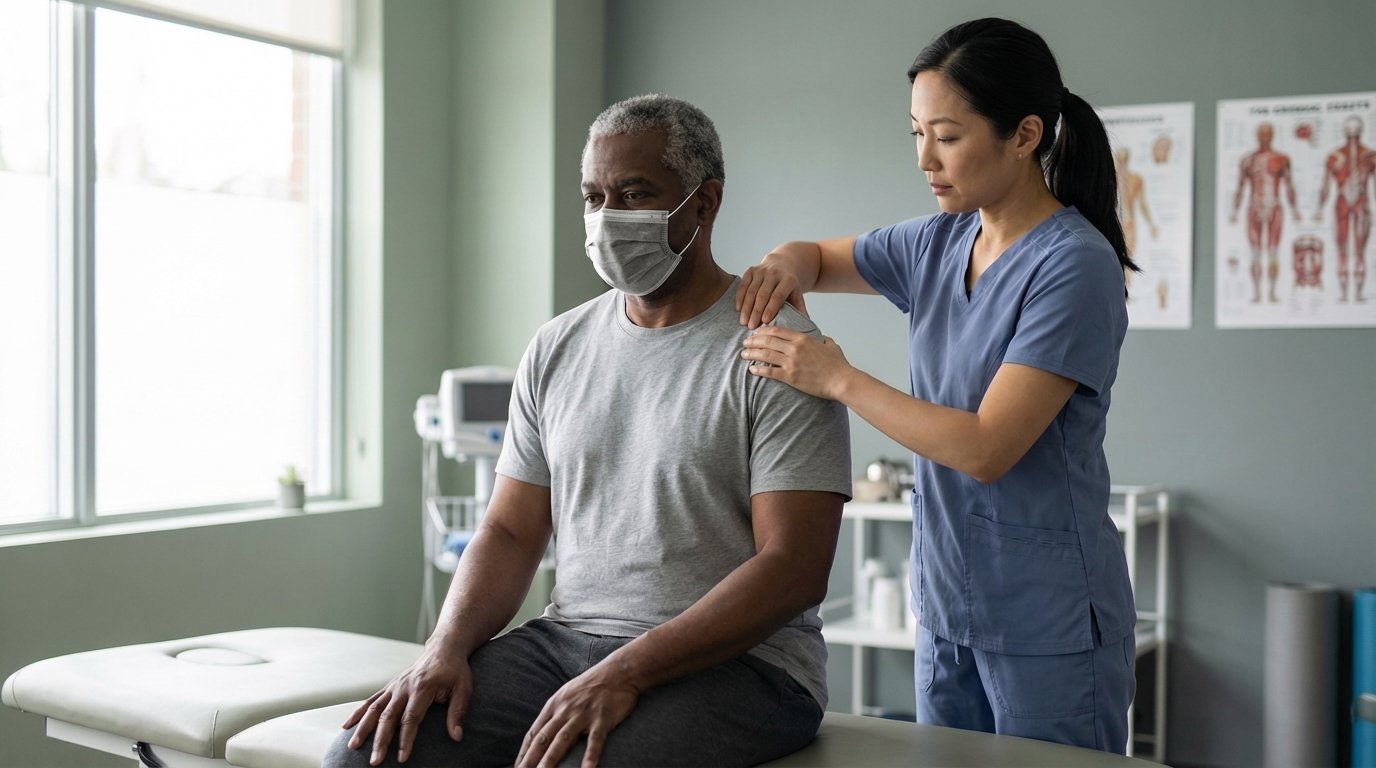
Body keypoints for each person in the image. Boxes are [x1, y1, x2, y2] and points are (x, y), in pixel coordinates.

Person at [323, 94, 851, 768]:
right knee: (363, 755)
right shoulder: (557, 347)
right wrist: (442, 649)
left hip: (746, 666)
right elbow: (511, 531)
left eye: (633, 194)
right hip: (567, 640)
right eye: (594, 197)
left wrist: (626, 671)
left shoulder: (779, 350)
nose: (608, 219)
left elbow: (794, 570)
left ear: (704, 202)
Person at [736, 17, 1138, 754]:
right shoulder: (938, 240)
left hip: (1047, 620)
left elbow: (988, 447)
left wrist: (838, 379)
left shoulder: (1073, 266)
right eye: (916, 132)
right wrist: (782, 267)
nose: (926, 158)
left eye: (947, 136)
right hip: (949, 603)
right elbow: (814, 256)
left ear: (1023, 135)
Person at [1228, 121, 1300, 303]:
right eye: (1262, 133)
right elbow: (1240, 187)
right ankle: (1257, 293)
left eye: (1268, 133)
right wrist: (1234, 211)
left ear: (1273, 135)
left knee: (1274, 251)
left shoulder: (1282, 159)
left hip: (1275, 206)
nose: (1265, 137)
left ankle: (1272, 293)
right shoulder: (1247, 160)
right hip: (1254, 206)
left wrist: (1295, 210)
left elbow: (1289, 186)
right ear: (1257, 135)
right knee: (1255, 252)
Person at [1314, 115, 1375, 302]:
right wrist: (1318, 208)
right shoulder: (1342, 156)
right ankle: (1351, 293)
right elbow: (1325, 186)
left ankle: (1351, 293)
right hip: (1351, 203)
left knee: (1353, 249)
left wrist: (1319, 208)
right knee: (1348, 249)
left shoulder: (1367, 156)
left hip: (1355, 203)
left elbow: (1325, 187)